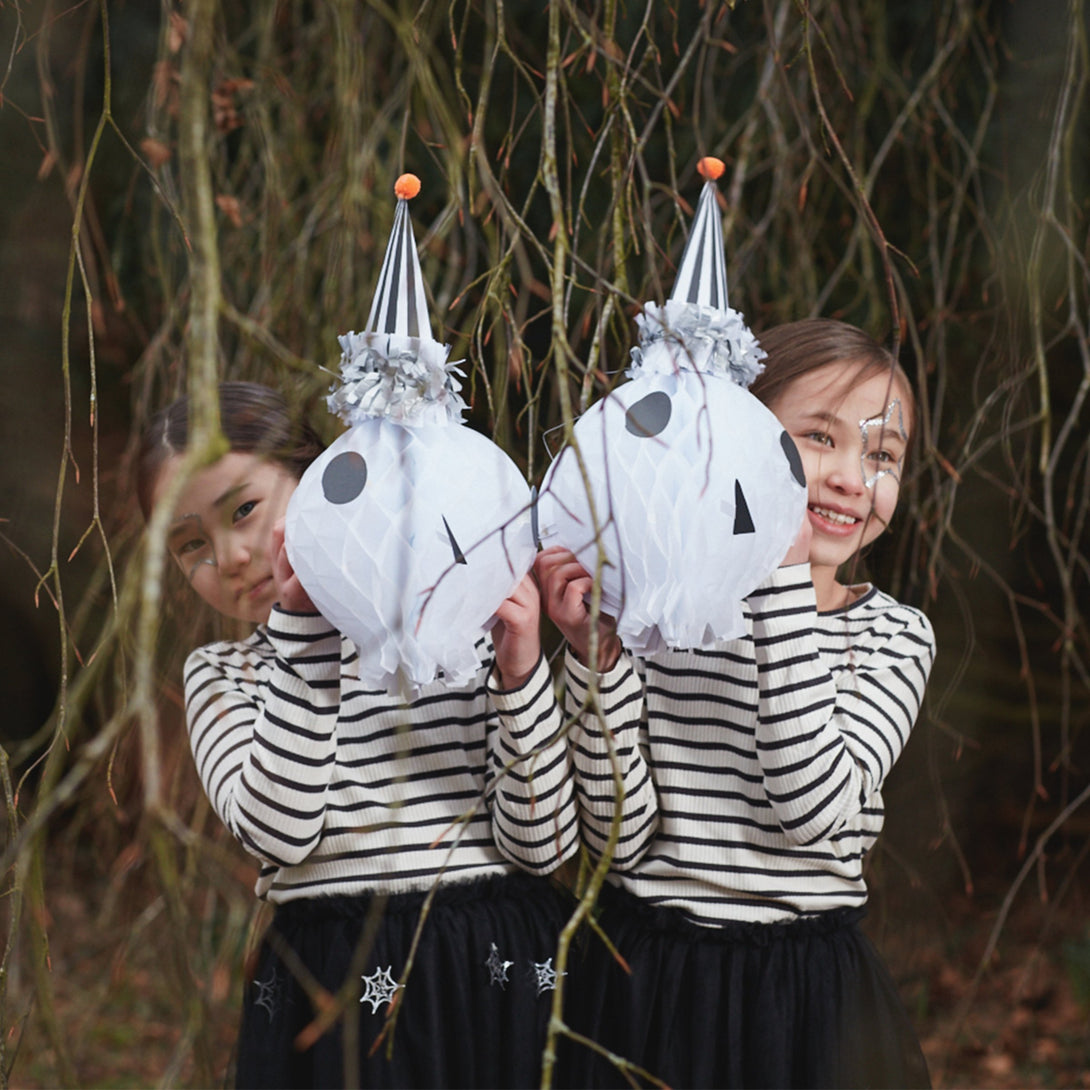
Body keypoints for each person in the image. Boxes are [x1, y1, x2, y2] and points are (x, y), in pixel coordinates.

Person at [137, 381, 578, 1089]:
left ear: (321, 476)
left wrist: (520, 674)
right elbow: (281, 832)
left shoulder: (452, 632)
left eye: (244, 510)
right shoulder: (224, 677)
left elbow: (546, 841)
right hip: (335, 984)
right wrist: (305, 634)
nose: (231, 555)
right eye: (191, 545)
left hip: (491, 964)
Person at [534, 319, 935, 1088]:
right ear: (737, 442)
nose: (853, 476)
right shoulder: (662, 613)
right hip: (648, 978)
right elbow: (617, 833)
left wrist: (780, 582)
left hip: (804, 991)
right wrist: (599, 658)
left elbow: (813, 813)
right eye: (817, 439)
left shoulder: (892, 637)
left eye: (881, 454)